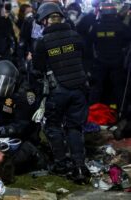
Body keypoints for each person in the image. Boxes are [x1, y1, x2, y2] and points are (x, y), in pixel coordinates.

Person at [32, 2, 90, 184]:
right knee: (74, 127)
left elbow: (37, 70)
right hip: (79, 90)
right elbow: (87, 59)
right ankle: (80, 166)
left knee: (53, 126)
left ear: (44, 21)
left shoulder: (42, 42)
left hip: (58, 92)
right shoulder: (76, 36)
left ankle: (61, 164)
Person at [87, 2, 131, 109]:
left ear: (102, 12)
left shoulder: (96, 26)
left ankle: (92, 112)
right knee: (118, 89)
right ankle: (121, 112)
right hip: (117, 62)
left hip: (100, 62)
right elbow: (127, 41)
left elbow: (89, 41)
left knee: (96, 88)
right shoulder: (122, 26)